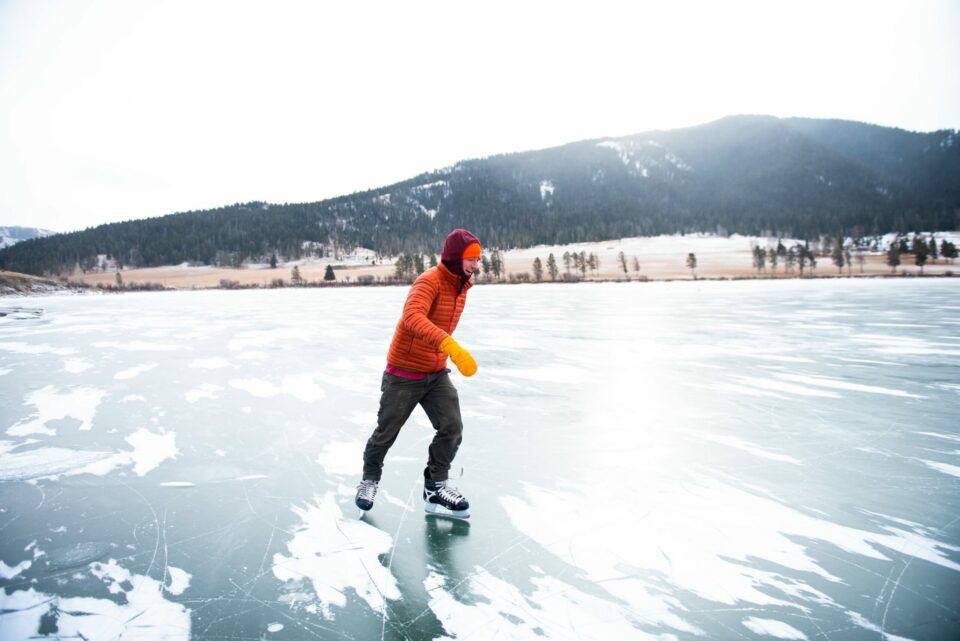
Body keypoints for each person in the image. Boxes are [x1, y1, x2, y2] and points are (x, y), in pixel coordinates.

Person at [355, 229, 481, 515]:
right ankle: (369, 479)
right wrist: (449, 345)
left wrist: (444, 351)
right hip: (404, 372)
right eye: (470, 258)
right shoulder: (429, 281)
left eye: (478, 259)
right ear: (455, 257)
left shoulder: (462, 287)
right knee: (386, 432)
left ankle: (435, 486)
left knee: (452, 427)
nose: (475, 265)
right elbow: (412, 317)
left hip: (436, 372)